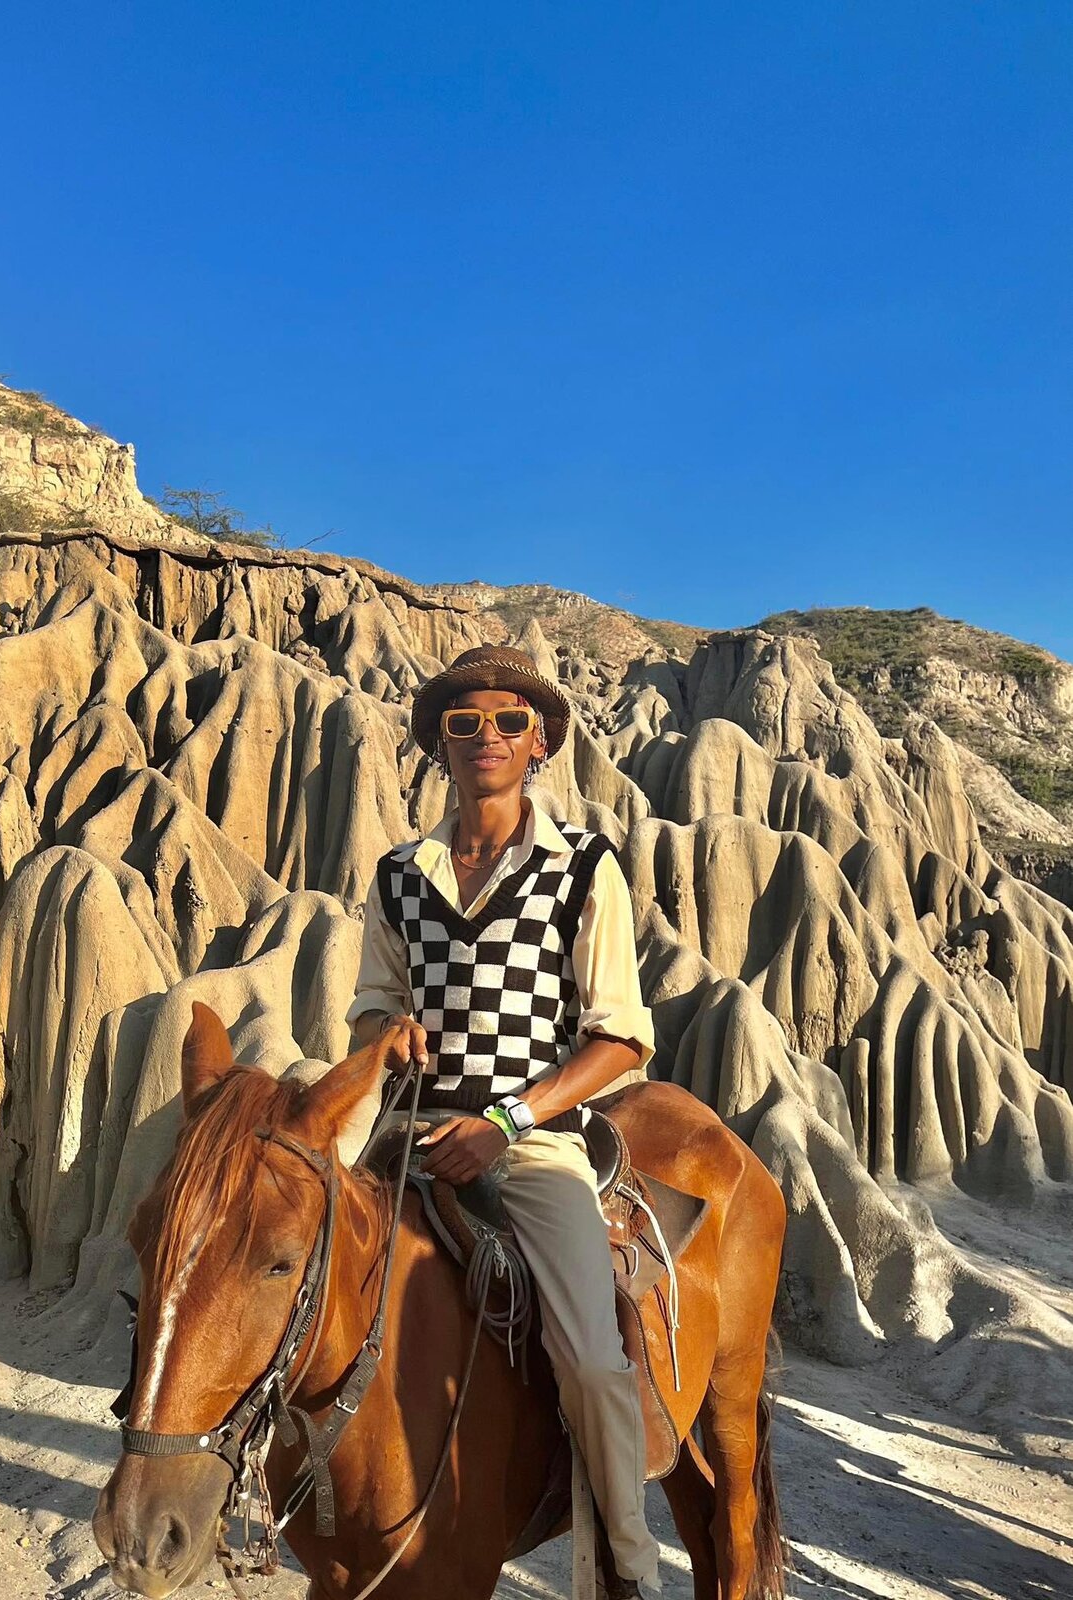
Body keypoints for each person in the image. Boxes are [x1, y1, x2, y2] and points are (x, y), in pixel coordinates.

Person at [347, 644, 662, 1599]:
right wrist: (385, 1033)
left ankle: (630, 1565)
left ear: (540, 744)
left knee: (594, 1362)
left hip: (531, 1142)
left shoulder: (582, 868)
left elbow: (622, 1037)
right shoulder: (399, 875)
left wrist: (507, 1120)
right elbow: (371, 1006)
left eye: (509, 721)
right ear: (439, 745)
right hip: (407, 1134)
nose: (486, 735)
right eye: (464, 722)